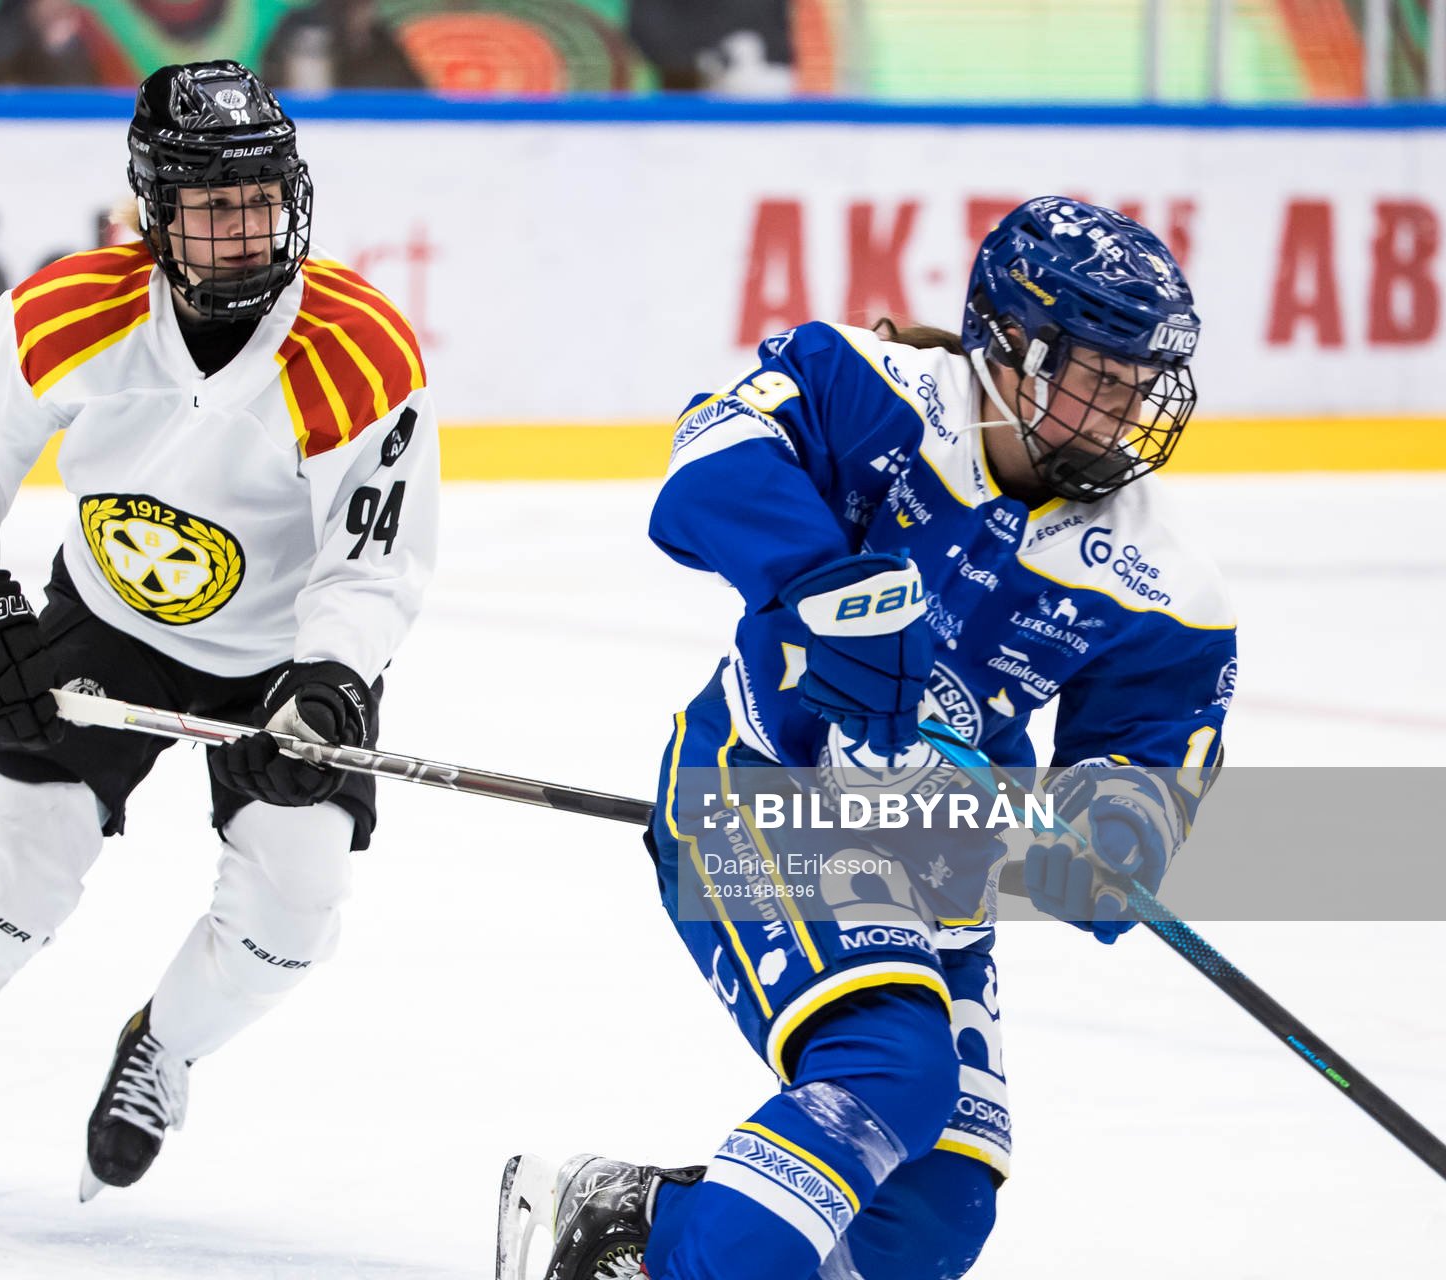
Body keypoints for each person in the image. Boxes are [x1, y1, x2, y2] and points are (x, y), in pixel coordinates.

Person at [0, 59, 436, 1239]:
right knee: (12, 862)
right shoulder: (69, 311)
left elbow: (374, 560)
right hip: (109, 620)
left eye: (261, 197)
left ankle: (163, 1043)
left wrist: (331, 679)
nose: (243, 227)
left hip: (284, 655)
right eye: (212, 204)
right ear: (153, 212)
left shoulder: (361, 350)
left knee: (296, 903)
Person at [497, 198, 1236, 1279]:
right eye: (1097, 374)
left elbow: (1143, 778)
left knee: (930, 1215)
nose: (1121, 412)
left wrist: (1099, 843)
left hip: (936, 868)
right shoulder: (874, 386)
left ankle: (625, 1222)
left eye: (1139, 387)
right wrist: (823, 586)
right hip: (759, 784)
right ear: (1014, 347)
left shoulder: (1165, 584)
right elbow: (709, 459)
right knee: (890, 1069)